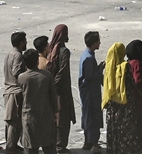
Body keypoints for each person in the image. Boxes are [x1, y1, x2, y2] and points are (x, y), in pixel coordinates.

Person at [43, 26, 74, 154]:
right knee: (63, 119)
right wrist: (54, 84)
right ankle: (60, 146)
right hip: (62, 91)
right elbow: (63, 71)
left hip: (52, 90)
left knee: (55, 118)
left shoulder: (50, 50)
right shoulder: (64, 51)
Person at [19, 48, 57, 154]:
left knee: (30, 147)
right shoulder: (47, 76)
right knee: (49, 147)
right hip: (46, 116)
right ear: (37, 61)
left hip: (29, 118)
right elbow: (53, 96)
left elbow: (20, 97)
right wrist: (56, 112)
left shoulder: (22, 78)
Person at [76, 31, 104, 154]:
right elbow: (90, 76)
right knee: (92, 116)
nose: (100, 43)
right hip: (90, 92)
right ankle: (93, 143)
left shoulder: (86, 54)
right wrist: (100, 70)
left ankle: (88, 141)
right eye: (98, 41)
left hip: (87, 91)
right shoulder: (89, 58)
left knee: (87, 115)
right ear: (93, 43)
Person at [4, 33, 27, 154]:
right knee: (14, 121)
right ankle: (10, 147)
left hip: (9, 91)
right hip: (15, 92)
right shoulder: (18, 55)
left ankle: (12, 145)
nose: (26, 43)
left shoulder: (10, 54)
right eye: (24, 41)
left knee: (11, 120)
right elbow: (16, 73)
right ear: (20, 42)